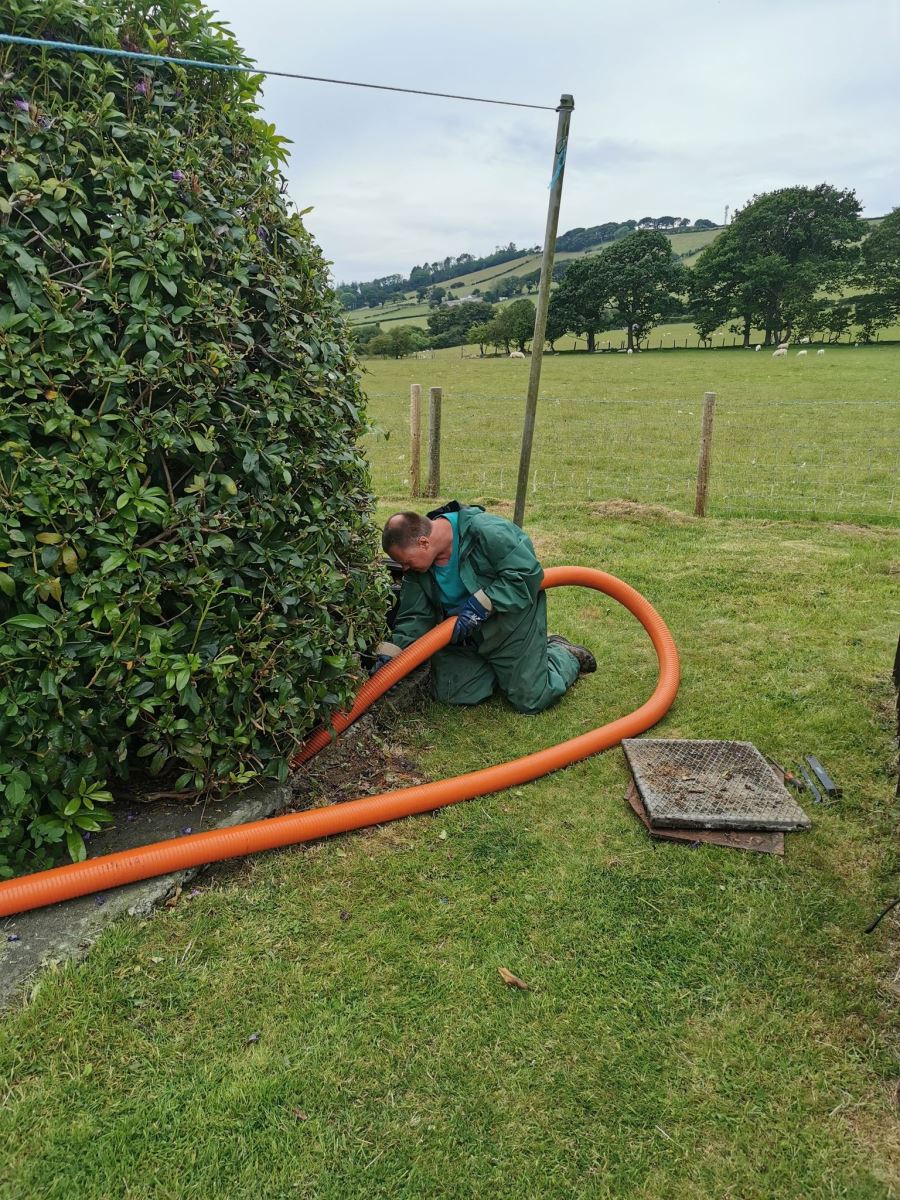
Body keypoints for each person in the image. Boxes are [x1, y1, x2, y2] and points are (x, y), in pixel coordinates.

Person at [372, 500, 595, 714]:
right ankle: (512, 668)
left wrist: (482, 605)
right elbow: (414, 617)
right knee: (453, 691)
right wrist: (392, 657)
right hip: (469, 637)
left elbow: (526, 574)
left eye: (405, 562)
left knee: (530, 698)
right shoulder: (419, 569)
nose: (404, 569)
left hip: (509, 625)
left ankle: (561, 653)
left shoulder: (487, 531)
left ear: (423, 542)